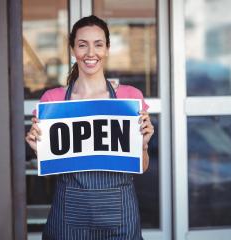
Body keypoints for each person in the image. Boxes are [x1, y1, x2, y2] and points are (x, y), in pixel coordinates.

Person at [25, 15, 154, 240]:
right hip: (69, 215)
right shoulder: (53, 101)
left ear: (107, 49)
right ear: (73, 49)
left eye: (98, 44)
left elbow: (141, 167)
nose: (90, 53)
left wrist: (142, 146)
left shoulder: (129, 98)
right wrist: (39, 150)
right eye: (82, 45)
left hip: (119, 215)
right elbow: (49, 169)